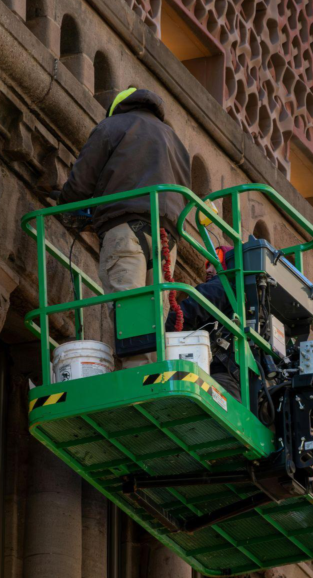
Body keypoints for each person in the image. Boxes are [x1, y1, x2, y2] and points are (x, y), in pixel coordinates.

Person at [54, 87, 191, 366]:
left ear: (118, 107)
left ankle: (138, 379)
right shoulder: (176, 141)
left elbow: (80, 183)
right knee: (156, 313)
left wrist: (65, 205)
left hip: (124, 228)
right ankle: (156, 376)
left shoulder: (111, 127)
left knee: (129, 308)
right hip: (167, 238)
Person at [167, 246, 243, 399]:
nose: (208, 270)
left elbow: (186, 312)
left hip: (219, 377)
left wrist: (163, 337)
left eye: (214, 264)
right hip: (242, 384)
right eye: (206, 265)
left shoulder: (224, 285)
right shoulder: (250, 299)